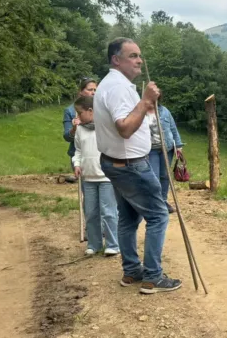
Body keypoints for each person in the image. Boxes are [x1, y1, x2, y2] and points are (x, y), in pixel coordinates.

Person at [93, 37, 182, 295]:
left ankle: (132, 270)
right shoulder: (119, 87)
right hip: (131, 165)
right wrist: (145, 102)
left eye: (139, 56)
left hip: (116, 163)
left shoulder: (111, 84)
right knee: (158, 215)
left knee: (129, 217)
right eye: (132, 56)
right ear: (116, 60)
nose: (139, 61)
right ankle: (153, 277)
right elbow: (125, 129)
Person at [72, 95, 119, 257]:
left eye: (80, 113)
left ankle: (113, 244)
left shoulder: (106, 126)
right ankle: (94, 244)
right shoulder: (79, 129)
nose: (77, 117)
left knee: (108, 212)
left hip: (106, 177)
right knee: (91, 213)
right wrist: (77, 164)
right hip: (88, 178)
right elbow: (78, 150)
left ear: (91, 111)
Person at [145, 103, 184, 213]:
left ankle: (163, 201)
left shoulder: (164, 111)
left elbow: (173, 128)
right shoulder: (142, 111)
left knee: (165, 176)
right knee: (154, 177)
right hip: (151, 149)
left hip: (166, 149)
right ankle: (155, 203)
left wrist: (179, 145)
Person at [63, 78, 97, 172]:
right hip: (78, 154)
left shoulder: (102, 108)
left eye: (95, 90)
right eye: (90, 90)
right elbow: (67, 137)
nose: (93, 92)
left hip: (98, 155)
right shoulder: (70, 111)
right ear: (81, 91)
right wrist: (74, 129)